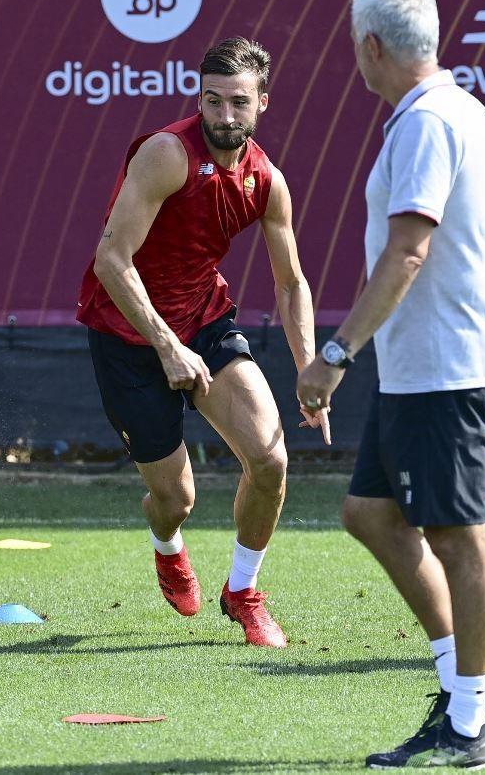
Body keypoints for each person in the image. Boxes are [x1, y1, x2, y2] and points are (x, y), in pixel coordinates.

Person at [297, 0, 485, 768]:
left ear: (371, 47)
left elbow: (410, 251)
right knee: (369, 514)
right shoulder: (460, 111)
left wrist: (332, 356)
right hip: (423, 368)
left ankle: (466, 730)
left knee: (458, 537)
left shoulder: (427, 122)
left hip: (440, 368)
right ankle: (470, 691)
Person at [77, 37, 329, 648]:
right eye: (212, 101)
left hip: (205, 322)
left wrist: (309, 371)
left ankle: (243, 591)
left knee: (270, 461)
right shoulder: (167, 154)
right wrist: (165, 345)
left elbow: (291, 282)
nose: (223, 116)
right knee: (175, 497)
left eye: (238, 103)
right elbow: (111, 259)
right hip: (128, 335)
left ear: (262, 103)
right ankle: (168, 547)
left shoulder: (267, 180)